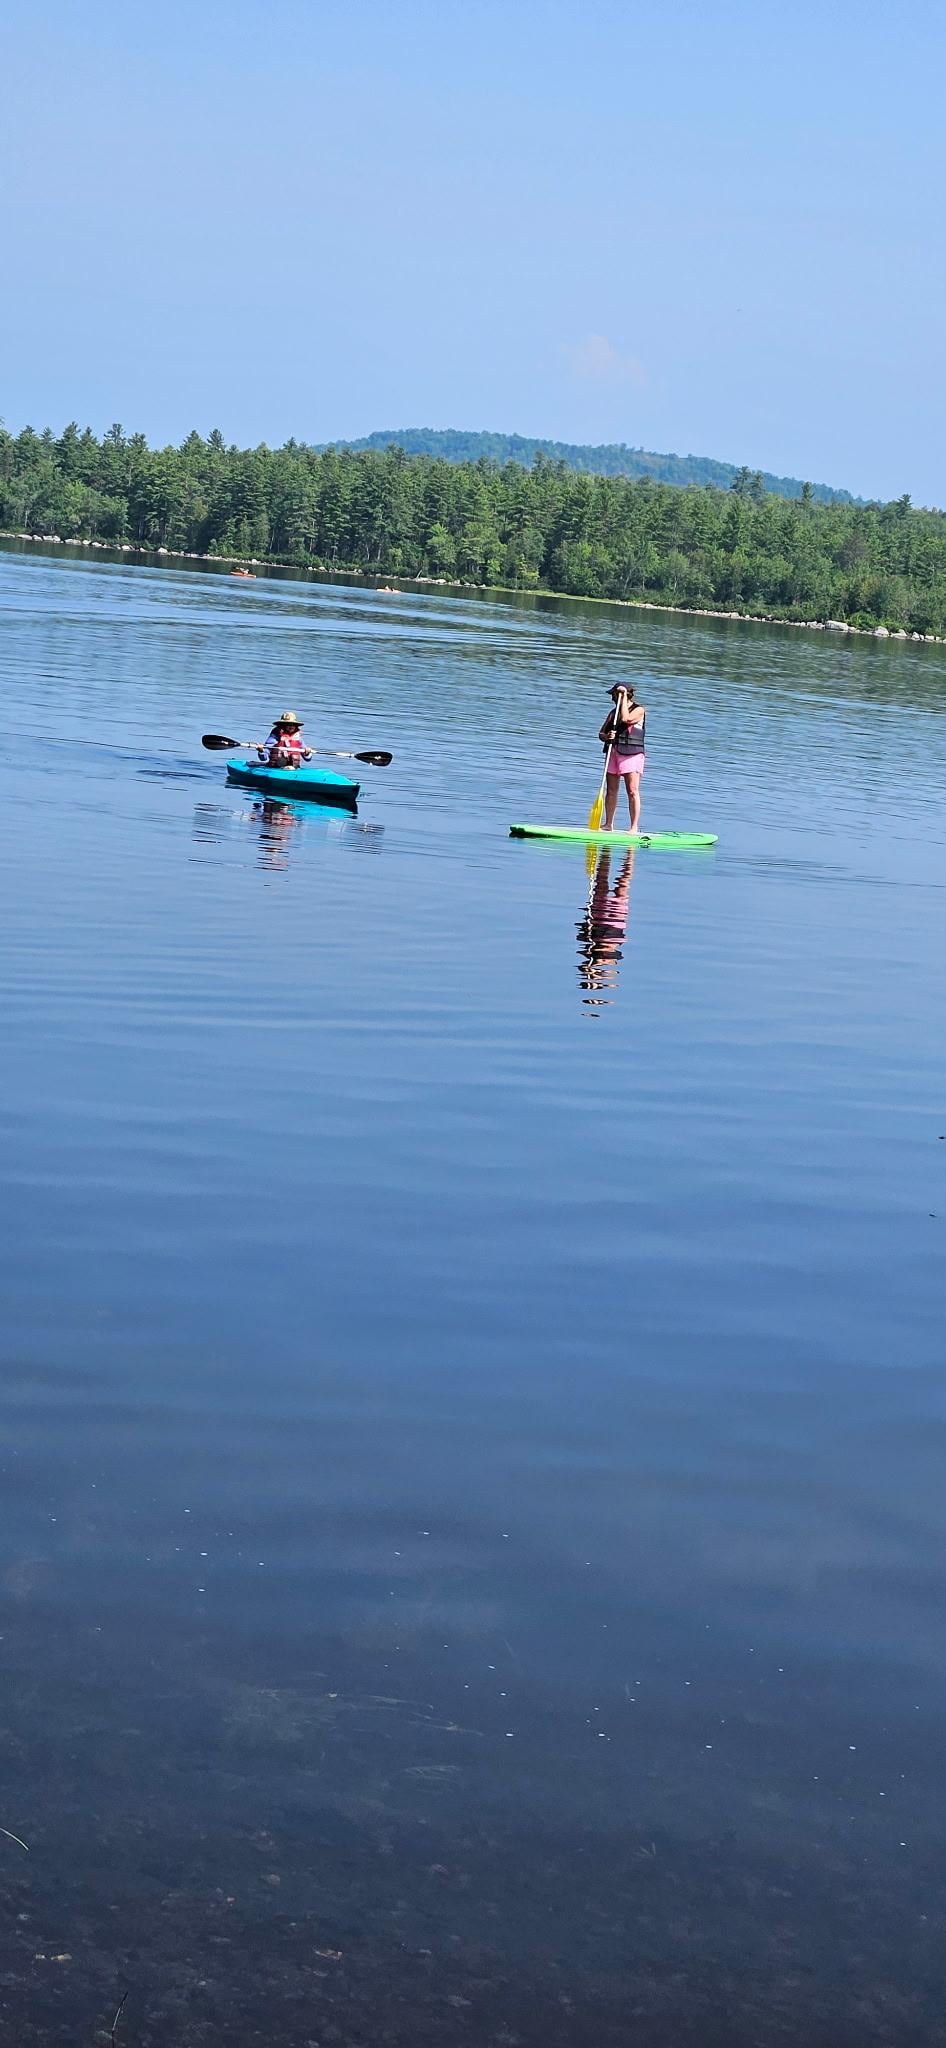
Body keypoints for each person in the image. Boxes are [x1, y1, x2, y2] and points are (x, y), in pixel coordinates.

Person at [598, 682, 646, 832]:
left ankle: (633, 827)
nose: (611, 697)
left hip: (632, 755)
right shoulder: (613, 713)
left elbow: (626, 719)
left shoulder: (639, 710)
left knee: (632, 791)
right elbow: (600, 733)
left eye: (613, 694)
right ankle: (608, 824)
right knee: (611, 790)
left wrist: (623, 696)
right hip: (613, 753)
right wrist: (607, 736)